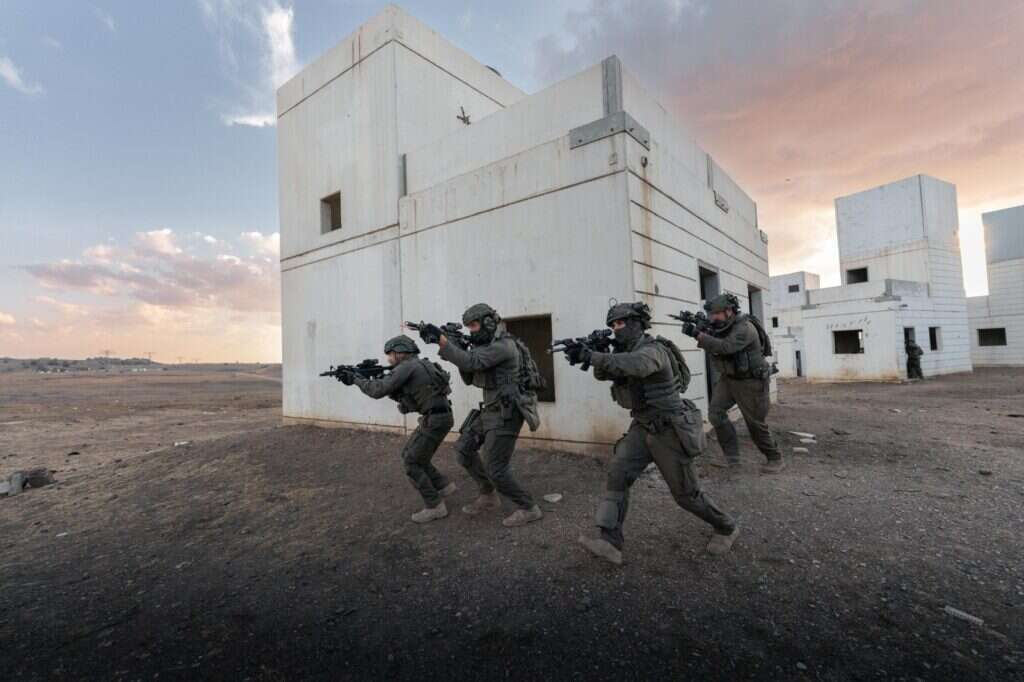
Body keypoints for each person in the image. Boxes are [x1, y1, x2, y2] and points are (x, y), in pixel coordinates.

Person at [566, 302, 739, 564]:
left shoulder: (653, 350)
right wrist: (594, 352)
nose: (615, 329)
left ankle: (726, 527)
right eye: (612, 325)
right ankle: (609, 540)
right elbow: (605, 373)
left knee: (686, 495)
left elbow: (637, 366)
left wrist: (592, 357)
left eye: (620, 323)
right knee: (618, 474)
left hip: (669, 429)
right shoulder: (623, 352)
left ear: (636, 323)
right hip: (642, 426)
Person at [423, 303, 544, 528]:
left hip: (507, 412)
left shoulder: (503, 346)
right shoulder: (486, 347)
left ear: (489, 323)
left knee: (496, 467)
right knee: (463, 450)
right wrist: (455, 348)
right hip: (490, 409)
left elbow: (471, 362)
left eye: (474, 326)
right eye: (468, 327)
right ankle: (488, 495)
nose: (471, 331)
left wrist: (444, 343)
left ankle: (528, 508)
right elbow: (469, 375)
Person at [338, 335, 457, 523]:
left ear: (400, 353)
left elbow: (378, 391)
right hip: (441, 416)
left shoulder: (406, 367)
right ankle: (443, 486)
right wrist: (373, 378)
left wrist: (356, 380)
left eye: (390, 355)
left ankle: (435, 506)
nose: (389, 360)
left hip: (434, 419)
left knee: (411, 461)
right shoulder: (421, 364)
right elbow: (400, 390)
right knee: (416, 455)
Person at [682, 293, 784, 474]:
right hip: (729, 379)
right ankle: (733, 459)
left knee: (755, 424)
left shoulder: (744, 328)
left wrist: (699, 335)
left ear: (729, 311)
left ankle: (774, 457)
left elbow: (725, 347)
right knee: (716, 413)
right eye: (710, 315)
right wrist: (702, 329)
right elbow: (717, 336)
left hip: (751, 382)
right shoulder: (725, 325)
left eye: (716, 314)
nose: (712, 318)